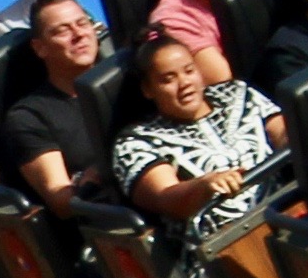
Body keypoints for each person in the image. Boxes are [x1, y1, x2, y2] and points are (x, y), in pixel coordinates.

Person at [113, 39, 288, 260]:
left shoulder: (240, 93)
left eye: (189, 71)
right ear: (148, 89)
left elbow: (285, 135)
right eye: (168, 79)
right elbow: (166, 197)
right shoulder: (135, 142)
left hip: (286, 216)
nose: (184, 83)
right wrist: (204, 185)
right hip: (219, 252)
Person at [3, 0, 117, 210]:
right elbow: (60, 200)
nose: (78, 34)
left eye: (82, 23)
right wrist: (97, 173)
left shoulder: (126, 77)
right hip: (109, 214)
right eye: (62, 31)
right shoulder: (29, 117)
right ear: (40, 48)